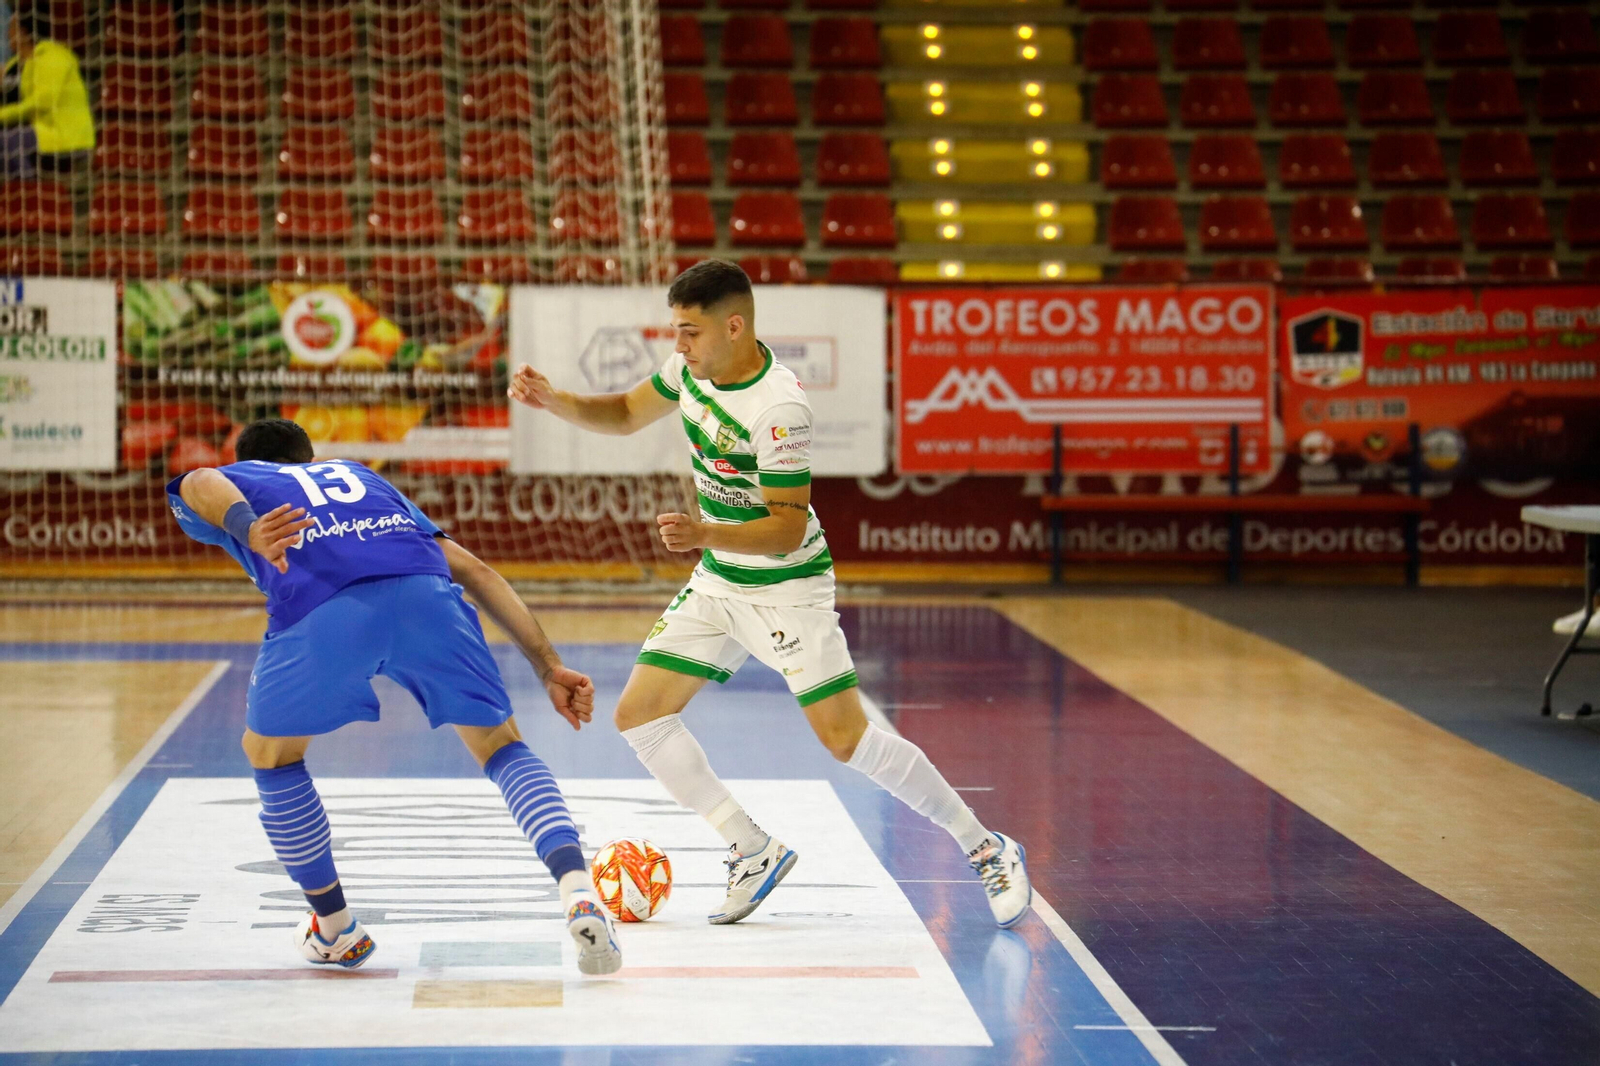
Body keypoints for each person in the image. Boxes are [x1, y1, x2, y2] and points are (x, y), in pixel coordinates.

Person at [508, 260, 1033, 928]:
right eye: (676, 331)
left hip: (786, 587)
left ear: (735, 326)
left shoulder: (778, 408)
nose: (680, 345)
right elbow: (623, 413)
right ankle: (751, 848)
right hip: (720, 579)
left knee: (846, 740)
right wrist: (557, 401)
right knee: (639, 714)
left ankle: (986, 847)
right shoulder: (688, 373)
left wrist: (703, 530)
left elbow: (786, 529)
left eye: (691, 332)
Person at [166, 418, 622, 975]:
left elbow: (198, 481)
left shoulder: (244, 480)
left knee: (271, 754)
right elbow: (475, 569)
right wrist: (549, 666)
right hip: (426, 595)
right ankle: (577, 887)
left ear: (249, 462)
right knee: (500, 744)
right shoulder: (361, 477)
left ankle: (335, 929)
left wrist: (246, 525)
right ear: (312, 458)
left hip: (322, 607)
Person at [0, 7, 93, 178]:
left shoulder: (53, 57)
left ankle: (29, 195)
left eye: (11, 28)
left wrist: (2, 115)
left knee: (9, 140)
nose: (7, 34)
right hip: (38, 134)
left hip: (66, 137)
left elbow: (40, 103)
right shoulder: (16, 63)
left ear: (24, 33)